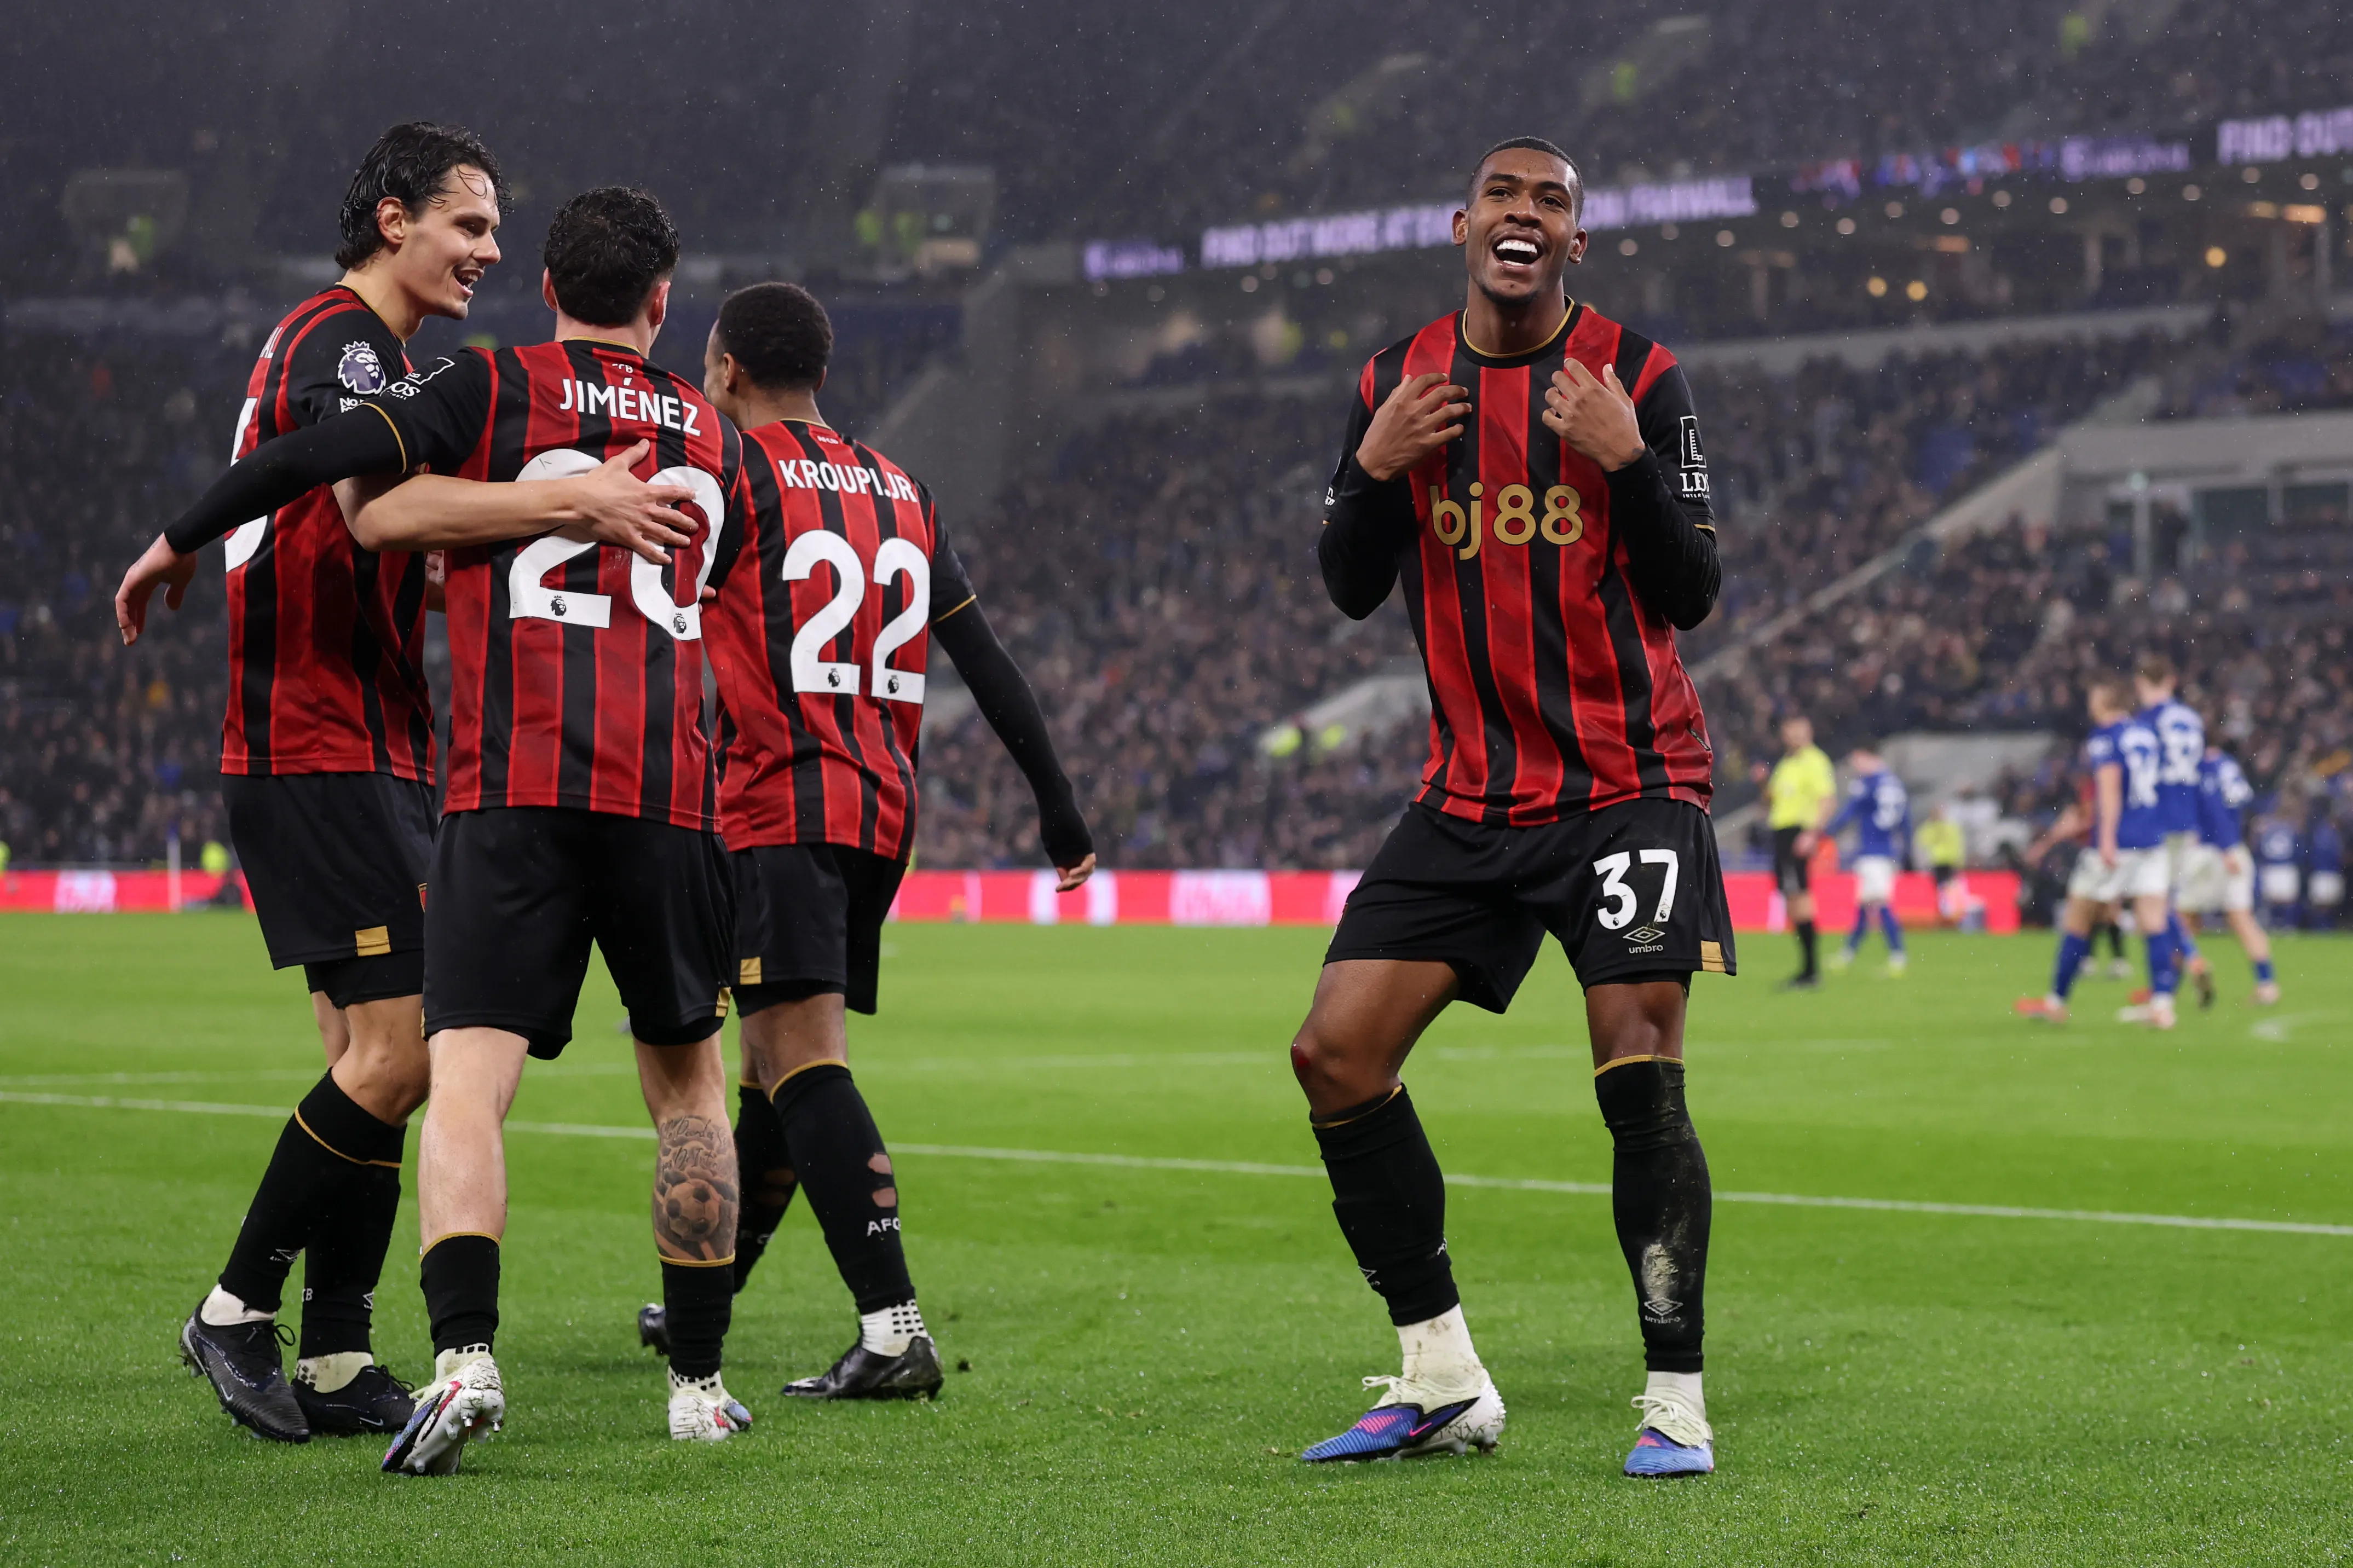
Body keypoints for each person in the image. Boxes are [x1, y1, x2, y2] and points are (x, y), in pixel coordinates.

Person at [140, 187, 757, 1469]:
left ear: (545, 284)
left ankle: (446, 1353)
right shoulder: (719, 437)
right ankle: (697, 1383)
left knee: (458, 1078)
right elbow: (725, 595)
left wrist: (182, 532)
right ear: (661, 303)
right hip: (669, 793)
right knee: (690, 1087)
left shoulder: (488, 388)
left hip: (508, 778)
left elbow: (343, 486)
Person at [1299, 137, 1731, 1477]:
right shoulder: (1394, 380)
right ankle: (1440, 1375)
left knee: (1638, 1068)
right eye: (1505, 196)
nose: (1524, 216)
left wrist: (1626, 463)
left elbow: (1694, 586)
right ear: (1462, 226)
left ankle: (1674, 1403)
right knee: (1335, 1055)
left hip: (1629, 780)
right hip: (1472, 795)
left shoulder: (1640, 378)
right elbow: (1349, 584)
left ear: (1576, 242)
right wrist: (1369, 471)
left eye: (1551, 202)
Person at [113, 124, 511, 1446]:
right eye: (468, 224)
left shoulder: (372, 357)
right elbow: (350, 505)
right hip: (321, 739)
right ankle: (237, 1307)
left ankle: (339, 1350)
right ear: (394, 221)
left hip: (355, 741)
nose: (489, 251)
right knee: (403, 1052)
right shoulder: (341, 343)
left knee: (365, 1058)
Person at [627, 282, 1096, 1398]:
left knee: (802, 1062)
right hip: (879, 814)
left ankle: (893, 1329)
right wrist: (1058, 802)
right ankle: (709, 1292)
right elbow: (984, 661)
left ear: (728, 368)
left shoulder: (737, 472)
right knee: (771, 1071)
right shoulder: (902, 488)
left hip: (780, 802)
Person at [2015, 679, 2173, 1026]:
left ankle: (2057, 1002)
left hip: (2120, 840)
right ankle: (2163, 1005)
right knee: (2153, 921)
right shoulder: (2146, 734)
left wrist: (2106, 840)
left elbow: (2110, 791)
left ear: (2105, 700)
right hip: (2152, 839)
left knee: (2078, 917)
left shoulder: (2106, 738)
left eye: (2093, 695)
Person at [2131, 654, 2215, 1012]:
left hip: (2159, 816)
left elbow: (2143, 771)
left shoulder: (2147, 721)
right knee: (2166, 902)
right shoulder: (2192, 719)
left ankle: (2189, 960)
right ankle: (2169, 982)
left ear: (2142, 683)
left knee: (2152, 904)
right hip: (2187, 818)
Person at [2179, 743, 2280, 1003]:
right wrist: (2232, 845)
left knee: (2181, 921)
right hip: (2236, 847)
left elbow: (2213, 807)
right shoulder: (2229, 765)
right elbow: (2242, 805)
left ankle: (2174, 982)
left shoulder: (2203, 767)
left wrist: (2223, 847)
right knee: (2243, 920)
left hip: (2209, 850)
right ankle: (2267, 984)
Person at [1760, 716, 1836, 988]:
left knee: (1800, 897)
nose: (1793, 735)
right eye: (1789, 731)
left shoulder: (1815, 761)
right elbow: (1769, 801)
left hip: (1797, 834)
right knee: (1792, 899)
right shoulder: (1785, 764)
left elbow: (1827, 799)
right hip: (1782, 834)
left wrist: (1812, 834)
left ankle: (1811, 971)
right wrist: (1762, 783)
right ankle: (1807, 969)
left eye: (1798, 730)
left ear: (1809, 732)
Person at [1824, 746, 1908, 973]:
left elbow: (1850, 811)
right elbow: (1905, 821)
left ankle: (1898, 956)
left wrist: (1825, 833)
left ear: (1868, 757)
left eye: (1857, 760)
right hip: (1887, 851)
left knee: (1880, 904)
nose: (1856, 767)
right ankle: (1849, 953)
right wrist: (1906, 851)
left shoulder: (1869, 783)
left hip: (1874, 854)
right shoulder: (1895, 784)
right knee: (1864, 905)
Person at [1912, 802, 1965, 925]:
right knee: (1942, 890)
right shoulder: (1930, 828)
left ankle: (1951, 917)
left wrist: (1959, 861)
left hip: (1949, 862)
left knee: (1948, 890)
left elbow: (1958, 844)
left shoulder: (1947, 827)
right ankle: (1945, 917)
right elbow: (1920, 846)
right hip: (1937, 863)